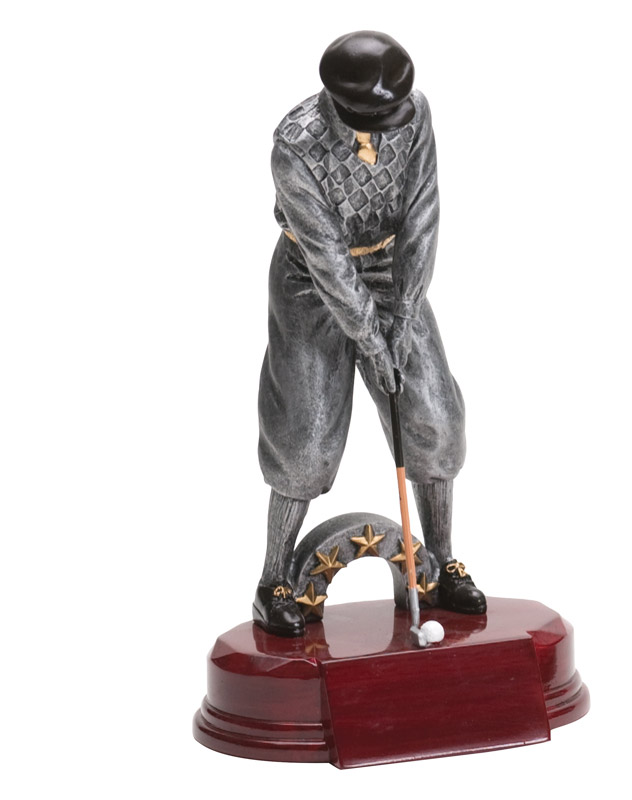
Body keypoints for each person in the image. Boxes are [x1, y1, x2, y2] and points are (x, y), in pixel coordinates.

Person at [253, 31, 486, 636]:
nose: (392, 123)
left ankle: (441, 562)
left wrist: (402, 318)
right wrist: (370, 339)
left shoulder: (415, 115)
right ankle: (273, 579)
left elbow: (422, 218)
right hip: (309, 278)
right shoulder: (295, 146)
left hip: (388, 269)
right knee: (304, 435)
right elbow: (328, 259)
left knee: (435, 417)